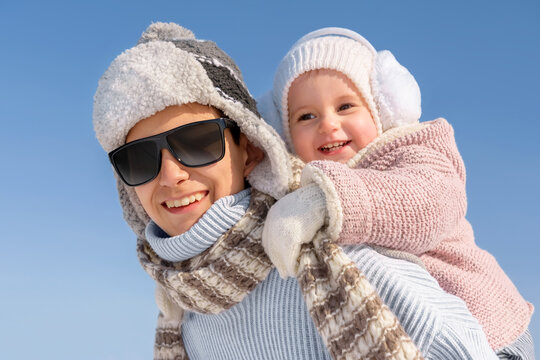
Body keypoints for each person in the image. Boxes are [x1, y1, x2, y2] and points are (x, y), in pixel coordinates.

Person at [93, 22, 497, 359]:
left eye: (197, 142)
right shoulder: (184, 316)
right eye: (138, 159)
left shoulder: (334, 265)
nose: (170, 174)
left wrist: (323, 202)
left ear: (250, 148)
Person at [259, 27, 534, 359]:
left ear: (384, 106)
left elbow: (427, 202)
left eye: (345, 106)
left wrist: (324, 201)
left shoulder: (413, 149)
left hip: (486, 331)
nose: (328, 124)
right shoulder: (301, 178)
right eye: (306, 116)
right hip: (406, 333)